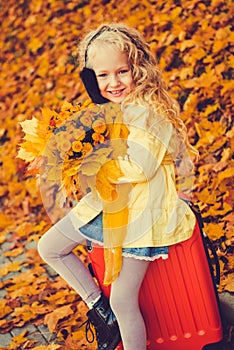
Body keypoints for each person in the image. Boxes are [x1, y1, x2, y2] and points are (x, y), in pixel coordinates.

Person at [38, 23, 198, 350]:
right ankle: (102, 312)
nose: (113, 83)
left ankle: (119, 321)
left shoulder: (149, 111)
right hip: (114, 203)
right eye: (103, 75)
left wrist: (91, 162)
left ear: (137, 68)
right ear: (91, 79)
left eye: (122, 71)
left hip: (144, 215)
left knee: (124, 300)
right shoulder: (117, 108)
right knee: (50, 247)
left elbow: (140, 166)